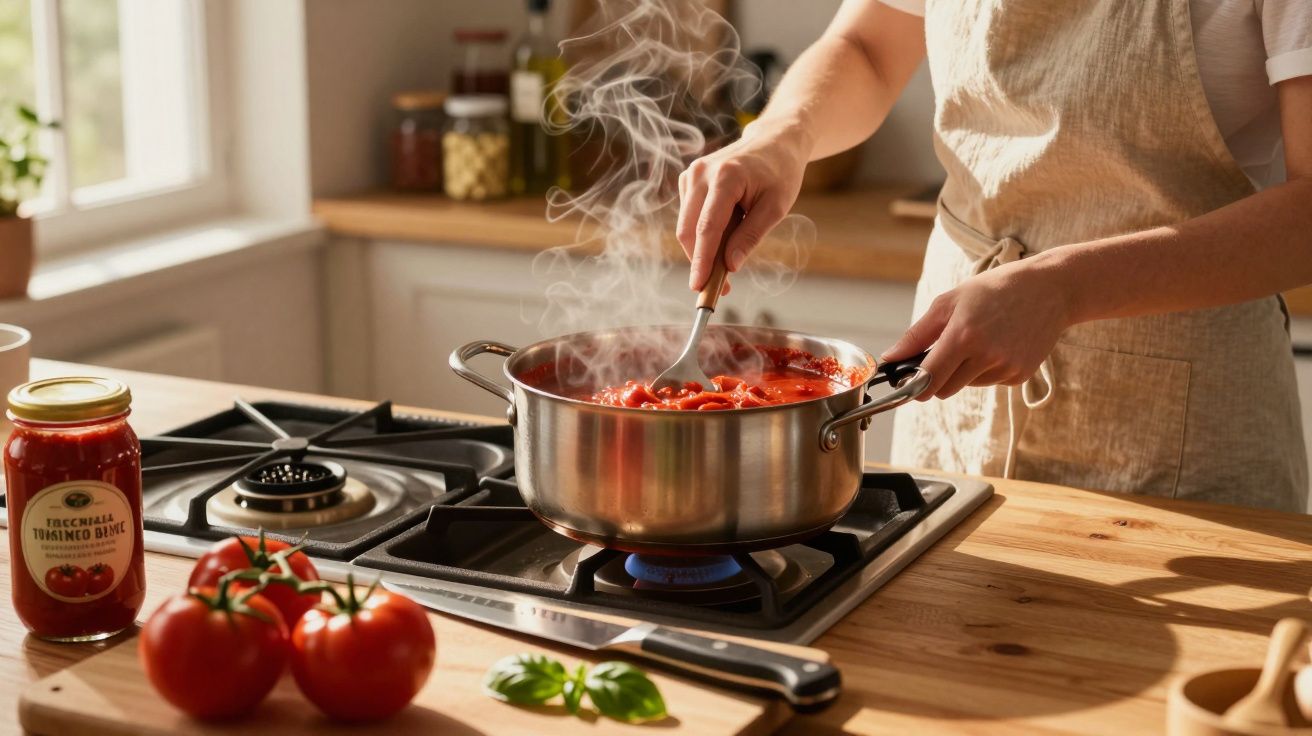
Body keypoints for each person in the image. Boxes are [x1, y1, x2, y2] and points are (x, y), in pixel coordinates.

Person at [676, 0, 1312, 511]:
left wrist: (1065, 287)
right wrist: (783, 135)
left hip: (1188, 427)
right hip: (956, 387)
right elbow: (868, 47)